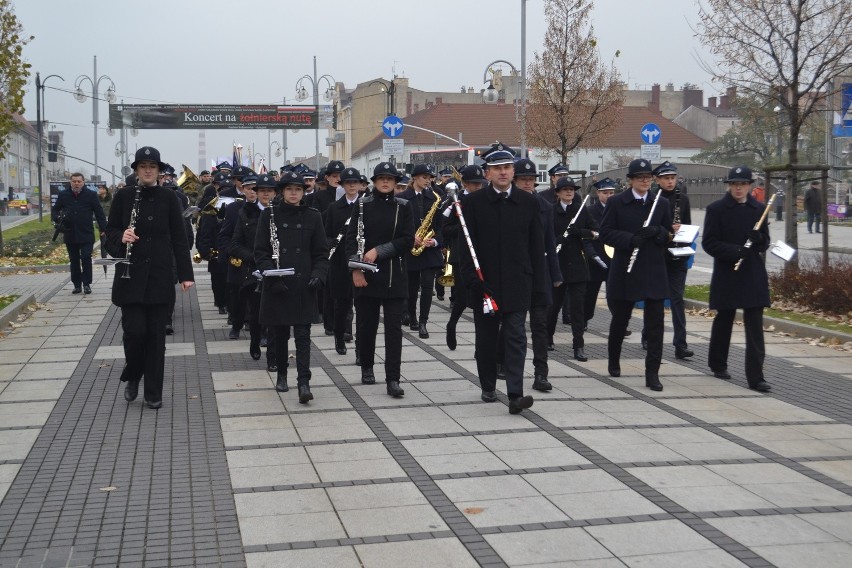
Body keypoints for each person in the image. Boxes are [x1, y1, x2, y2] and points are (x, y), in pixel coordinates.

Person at [457, 143, 547, 414]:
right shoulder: (472, 203)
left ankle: (515, 394)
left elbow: (536, 247)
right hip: (485, 286)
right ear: (487, 174)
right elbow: (466, 247)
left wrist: (539, 288)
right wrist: (472, 280)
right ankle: (487, 384)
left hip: (518, 283)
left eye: (507, 168)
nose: (504, 173)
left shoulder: (529, 202)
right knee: (486, 338)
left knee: (516, 337)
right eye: (497, 169)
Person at [105, 146, 194, 409]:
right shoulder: (123, 197)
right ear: (136, 170)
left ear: (158, 171)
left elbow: (180, 239)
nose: (147, 170)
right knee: (134, 333)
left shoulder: (169, 198)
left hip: (159, 276)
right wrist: (120, 237)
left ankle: (153, 392)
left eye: (152, 166)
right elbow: (109, 231)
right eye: (142, 166)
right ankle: (134, 373)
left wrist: (186, 275)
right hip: (130, 276)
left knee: (156, 338)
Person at [255, 171, 329, 402]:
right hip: (278, 283)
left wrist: (318, 275)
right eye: (289, 189)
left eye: (298, 189)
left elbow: (320, 253)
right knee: (279, 334)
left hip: (303, 283)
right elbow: (260, 251)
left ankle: (304, 382)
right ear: (282, 192)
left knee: (303, 336)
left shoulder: (313, 216)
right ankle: (283, 375)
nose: (294, 193)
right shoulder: (269, 215)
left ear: (304, 191)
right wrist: (272, 275)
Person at [600, 158, 672, 392]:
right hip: (625, 271)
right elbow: (606, 234)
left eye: (648, 177)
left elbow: (669, 234)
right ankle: (613, 359)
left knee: (656, 326)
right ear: (630, 180)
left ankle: (652, 373)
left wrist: (658, 231)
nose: (644, 180)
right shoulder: (618, 203)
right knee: (620, 320)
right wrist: (630, 240)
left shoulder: (660, 204)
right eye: (639, 177)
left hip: (653, 270)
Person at [345, 162, 414, 398]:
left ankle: (393, 378)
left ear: (396, 183)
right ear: (374, 182)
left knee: (394, 330)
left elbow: (407, 240)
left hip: (394, 274)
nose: (385, 182)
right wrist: (356, 269)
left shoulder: (404, 206)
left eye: (390, 179)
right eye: (381, 178)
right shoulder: (362, 205)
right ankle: (366, 367)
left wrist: (379, 251)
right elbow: (351, 240)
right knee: (366, 325)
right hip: (365, 275)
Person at [702, 165, 772, 392]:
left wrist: (759, 238)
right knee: (724, 319)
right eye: (734, 184)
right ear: (729, 186)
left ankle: (756, 376)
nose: (738, 188)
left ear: (750, 186)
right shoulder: (716, 209)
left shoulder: (759, 209)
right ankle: (718, 363)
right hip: (727, 271)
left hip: (752, 272)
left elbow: (765, 243)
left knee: (754, 326)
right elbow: (709, 243)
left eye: (742, 184)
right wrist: (733, 251)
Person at [514, 158, 562, 391]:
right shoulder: (508, 205)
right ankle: (505, 364)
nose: (527, 183)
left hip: (540, 273)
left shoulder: (545, 206)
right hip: (515, 273)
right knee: (513, 325)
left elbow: (549, 243)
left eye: (531, 180)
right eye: (523, 179)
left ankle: (541, 373)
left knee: (540, 326)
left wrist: (556, 273)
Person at [640, 161, 694, 360]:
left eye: (673, 178)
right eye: (666, 178)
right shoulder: (652, 199)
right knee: (654, 299)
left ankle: (681, 344)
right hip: (659, 255)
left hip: (678, 255)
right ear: (658, 180)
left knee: (677, 299)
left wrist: (683, 231)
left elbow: (688, 226)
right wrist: (668, 229)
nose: (670, 182)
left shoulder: (684, 199)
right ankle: (648, 334)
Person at [547, 177, 597, 362]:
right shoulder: (550, 211)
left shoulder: (580, 210)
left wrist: (581, 232)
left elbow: (596, 231)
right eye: (565, 189)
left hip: (577, 266)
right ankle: (548, 338)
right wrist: (556, 240)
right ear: (558, 192)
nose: (569, 192)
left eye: (572, 189)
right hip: (558, 265)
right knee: (553, 307)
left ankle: (579, 346)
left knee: (577, 310)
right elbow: (545, 236)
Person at [230, 174, 273, 366]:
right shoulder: (245, 212)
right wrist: (254, 257)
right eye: (262, 191)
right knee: (256, 313)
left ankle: (273, 352)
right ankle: (255, 340)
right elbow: (235, 244)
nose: (266, 195)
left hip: (277, 270)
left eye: (269, 191)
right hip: (254, 271)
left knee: (276, 315)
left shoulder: (282, 211)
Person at [443, 165, 486, 350]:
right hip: (461, 256)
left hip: (482, 256)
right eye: (473, 184)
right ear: (465, 184)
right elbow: (445, 228)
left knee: (479, 303)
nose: (477, 187)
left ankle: (479, 346)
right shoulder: (455, 201)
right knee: (461, 298)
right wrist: (463, 228)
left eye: (479, 184)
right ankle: (451, 325)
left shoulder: (486, 201)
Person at [399, 163, 444, 338]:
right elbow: (399, 224)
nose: (428, 181)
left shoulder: (435, 198)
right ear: (415, 178)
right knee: (411, 287)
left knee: (427, 286)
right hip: (410, 248)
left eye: (429, 178)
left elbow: (440, 227)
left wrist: (435, 241)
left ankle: (423, 322)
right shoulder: (403, 197)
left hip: (429, 250)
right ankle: (412, 317)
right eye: (424, 177)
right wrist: (410, 237)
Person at [324, 168, 361, 355]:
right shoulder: (334, 208)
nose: (352, 185)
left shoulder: (366, 206)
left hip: (362, 261)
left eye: (355, 182)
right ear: (343, 185)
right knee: (341, 304)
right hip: (339, 262)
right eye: (348, 182)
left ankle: (361, 345)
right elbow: (328, 234)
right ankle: (340, 337)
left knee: (362, 305)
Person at [52, 173, 107, 295]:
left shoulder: (91, 195)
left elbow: (99, 213)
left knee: (86, 257)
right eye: (74, 181)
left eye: (79, 181)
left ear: (83, 182)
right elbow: (55, 209)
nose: (76, 184)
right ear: (70, 182)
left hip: (86, 233)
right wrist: (57, 219)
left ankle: (86, 283)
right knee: (74, 260)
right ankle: (77, 285)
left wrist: (104, 229)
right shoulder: (64, 194)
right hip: (70, 233)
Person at [584, 178, 617, 331]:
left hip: (614, 258)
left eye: (611, 193)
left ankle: (619, 323)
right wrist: (592, 255)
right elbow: (586, 237)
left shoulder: (618, 209)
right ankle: (583, 320)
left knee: (615, 294)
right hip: (596, 259)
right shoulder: (590, 211)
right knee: (590, 294)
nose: (609, 196)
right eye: (605, 193)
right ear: (598, 193)